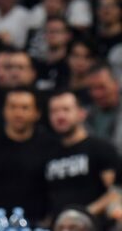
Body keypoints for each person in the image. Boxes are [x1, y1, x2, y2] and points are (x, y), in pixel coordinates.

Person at [0, 88, 50, 224]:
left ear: (37, 113)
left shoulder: (48, 144)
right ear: (4, 111)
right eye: (12, 107)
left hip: (37, 223)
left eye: (25, 108)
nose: (18, 113)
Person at [44, 91, 118, 220]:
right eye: (54, 111)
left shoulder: (100, 148)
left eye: (66, 109)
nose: (60, 116)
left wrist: (83, 214)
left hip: (94, 224)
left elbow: (116, 192)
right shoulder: (47, 152)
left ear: (82, 113)